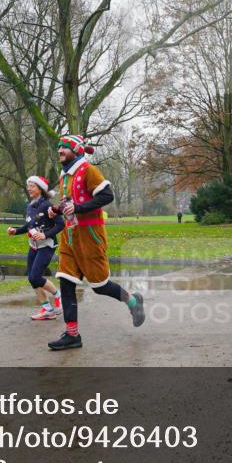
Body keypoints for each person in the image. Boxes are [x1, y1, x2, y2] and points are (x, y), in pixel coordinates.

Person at [45, 134, 145, 351]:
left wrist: (78, 209)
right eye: (59, 147)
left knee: (100, 286)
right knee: (66, 282)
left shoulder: (88, 170)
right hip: (70, 237)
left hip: (90, 235)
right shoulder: (65, 176)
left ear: (77, 150)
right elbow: (69, 203)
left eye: (65, 147)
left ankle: (133, 302)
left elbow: (107, 196)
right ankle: (72, 335)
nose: (60, 151)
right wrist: (56, 210)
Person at [7, 176, 64, 321]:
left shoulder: (48, 205)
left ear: (40, 189)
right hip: (33, 246)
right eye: (28, 186)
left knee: (35, 277)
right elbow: (29, 226)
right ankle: (47, 309)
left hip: (46, 246)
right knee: (32, 279)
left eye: (32, 186)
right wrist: (16, 231)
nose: (29, 188)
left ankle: (58, 296)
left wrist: (45, 235)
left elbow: (60, 224)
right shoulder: (30, 206)